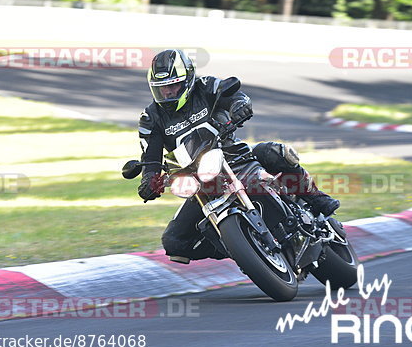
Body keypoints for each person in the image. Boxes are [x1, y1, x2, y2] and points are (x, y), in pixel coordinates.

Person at [121, 49, 340, 264]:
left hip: (234, 157)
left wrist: (239, 106)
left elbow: (235, 95)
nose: (168, 93)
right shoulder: (151, 117)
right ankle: (241, 247)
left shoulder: (205, 86)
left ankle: (316, 197)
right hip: (199, 181)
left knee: (273, 153)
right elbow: (150, 157)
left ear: (187, 79)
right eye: (162, 88)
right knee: (174, 242)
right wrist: (149, 180)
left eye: (173, 85)